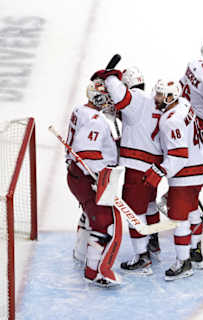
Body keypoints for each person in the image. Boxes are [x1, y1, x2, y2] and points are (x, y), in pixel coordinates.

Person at [92, 67, 163, 275]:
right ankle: (153, 242)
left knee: (134, 212)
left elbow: (119, 95)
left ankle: (142, 256)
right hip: (152, 166)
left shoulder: (136, 100)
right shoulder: (150, 101)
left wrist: (109, 76)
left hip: (137, 167)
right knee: (150, 206)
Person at [144, 80, 203, 280]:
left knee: (179, 218)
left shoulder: (170, 120)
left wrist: (159, 171)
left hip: (186, 173)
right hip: (200, 166)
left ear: (168, 98)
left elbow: (179, 155)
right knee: (193, 211)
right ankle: (195, 253)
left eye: (159, 95)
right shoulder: (184, 104)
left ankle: (184, 263)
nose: (155, 98)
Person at [66, 79, 122, 287]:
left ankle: (80, 254)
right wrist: (100, 177)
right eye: (105, 97)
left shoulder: (81, 110)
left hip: (75, 174)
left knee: (89, 214)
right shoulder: (96, 120)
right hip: (88, 176)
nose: (109, 101)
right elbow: (86, 153)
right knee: (104, 223)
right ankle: (94, 272)